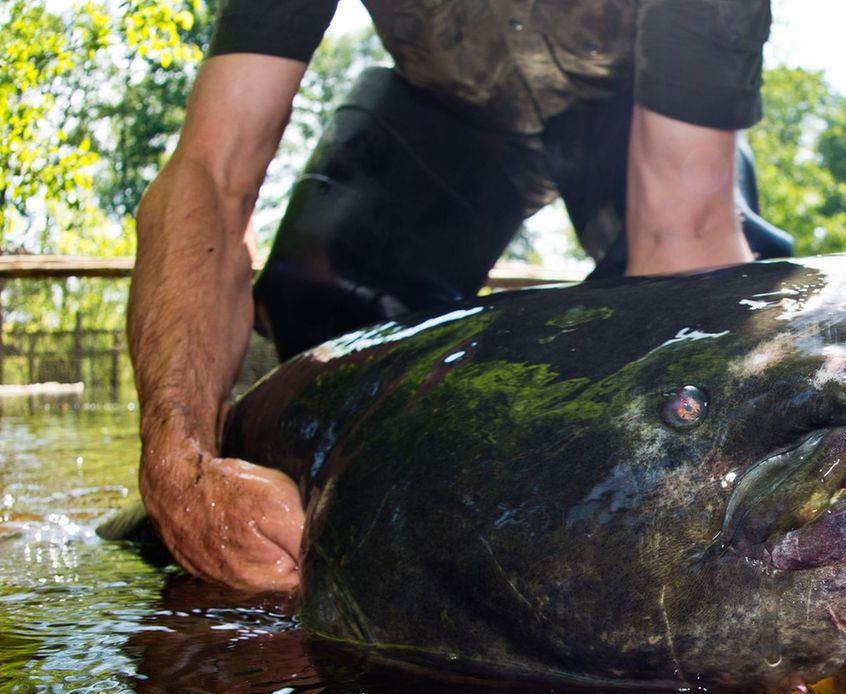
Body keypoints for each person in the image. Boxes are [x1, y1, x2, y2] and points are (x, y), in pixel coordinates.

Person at [126, 0, 789, 592]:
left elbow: (682, 230)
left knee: (716, 326)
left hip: (633, 120)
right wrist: (177, 465)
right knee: (316, 296)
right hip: (438, 118)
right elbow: (211, 174)